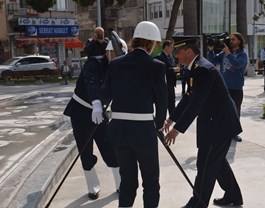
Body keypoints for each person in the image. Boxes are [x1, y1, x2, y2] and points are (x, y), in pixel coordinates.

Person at [163, 36, 243, 208]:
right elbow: (189, 97)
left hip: (219, 124)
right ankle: (234, 196)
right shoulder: (196, 67)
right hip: (214, 122)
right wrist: (172, 118)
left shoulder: (203, 69)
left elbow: (196, 104)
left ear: (189, 52)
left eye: (179, 52)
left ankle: (198, 203)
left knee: (205, 163)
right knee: (217, 162)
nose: (176, 55)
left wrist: (177, 130)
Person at [99, 21, 168, 208]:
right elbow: (162, 101)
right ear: (151, 43)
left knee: (127, 180)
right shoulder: (156, 66)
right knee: (150, 180)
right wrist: (160, 125)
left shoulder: (116, 64)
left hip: (119, 130)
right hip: (143, 130)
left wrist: (99, 106)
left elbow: (105, 92)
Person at [63, 42, 123, 200]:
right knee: (86, 152)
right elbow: (91, 83)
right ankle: (93, 186)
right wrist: (96, 103)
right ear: (109, 51)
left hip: (99, 114)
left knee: (109, 148)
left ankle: (120, 184)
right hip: (81, 113)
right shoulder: (93, 62)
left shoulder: (116, 68)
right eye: (116, 54)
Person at [207, 32, 248, 142]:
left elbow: (237, 64)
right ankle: (222, 131)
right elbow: (213, 61)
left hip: (236, 87)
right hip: (223, 86)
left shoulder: (242, 55)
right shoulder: (224, 53)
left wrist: (229, 54)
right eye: (230, 39)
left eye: (233, 39)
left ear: (239, 41)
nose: (231, 41)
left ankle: (234, 133)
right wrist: (211, 50)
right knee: (222, 110)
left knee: (235, 111)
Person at [155, 40, 181, 114]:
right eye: (171, 47)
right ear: (166, 47)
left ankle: (172, 118)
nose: (172, 49)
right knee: (164, 103)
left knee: (172, 101)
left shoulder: (171, 56)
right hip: (164, 84)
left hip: (171, 83)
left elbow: (173, 65)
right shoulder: (160, 57)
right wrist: (173, 70)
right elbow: (161, 70)